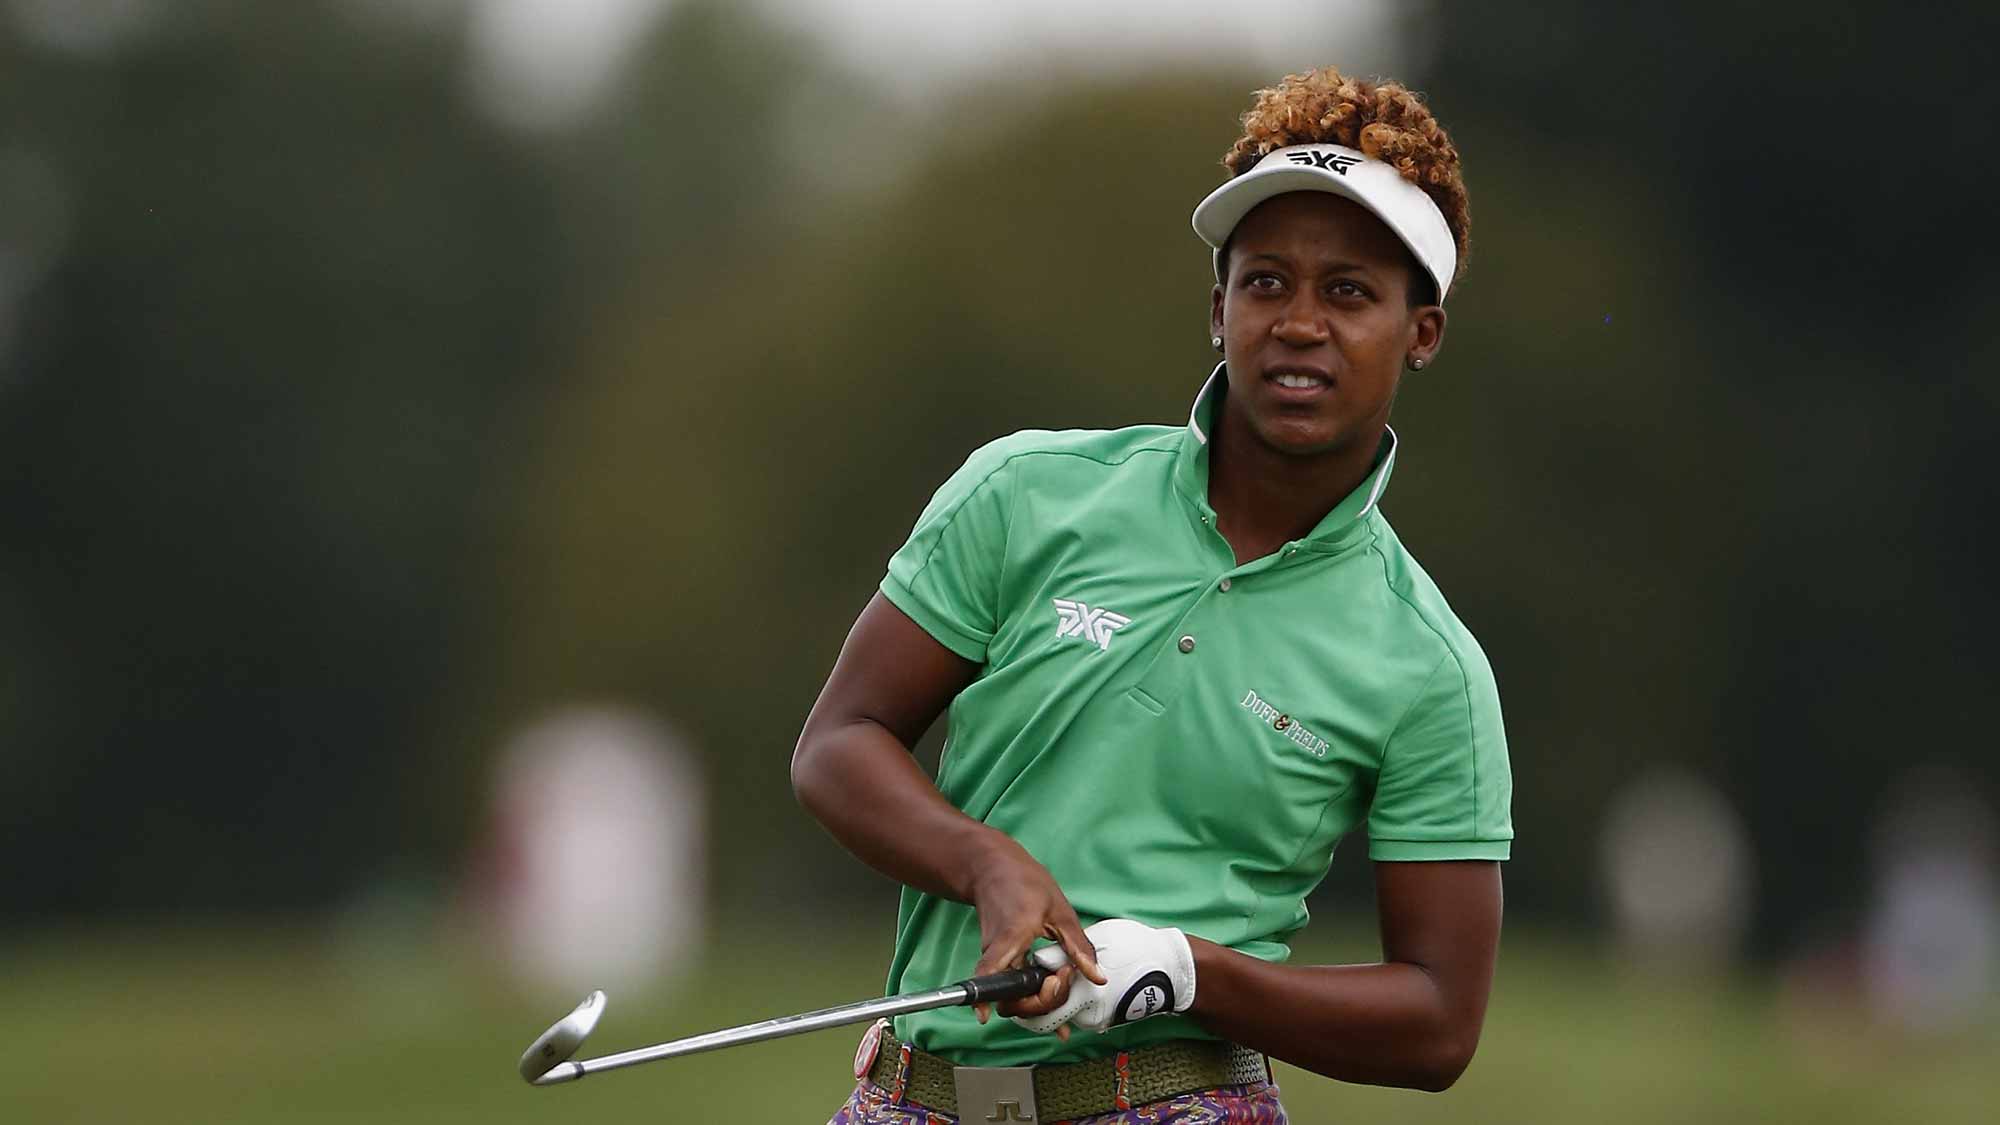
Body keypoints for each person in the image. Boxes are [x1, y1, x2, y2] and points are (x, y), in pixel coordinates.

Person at [794, 66, 1511, 1125]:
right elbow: (838, 742)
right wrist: (982, 860)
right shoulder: (1026, 493)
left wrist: (1186, 972)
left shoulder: (1426, 663)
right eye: (1265, 283)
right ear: (1217, 308)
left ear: (1421, 332)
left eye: (1349, 292)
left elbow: (1439, 1022)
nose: (1299, 323)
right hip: (914, 1095)